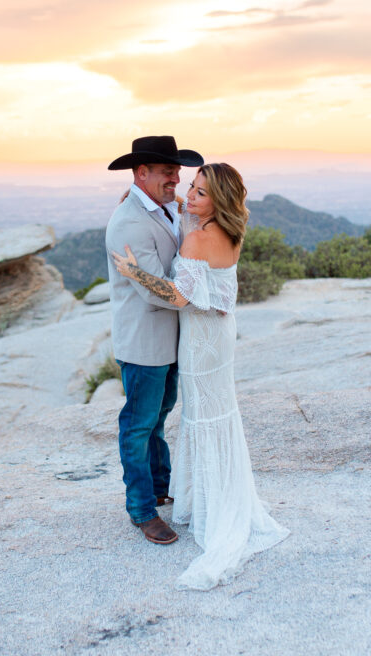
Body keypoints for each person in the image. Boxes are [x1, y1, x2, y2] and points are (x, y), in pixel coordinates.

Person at [111, 162, 289, 590]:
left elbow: (178, 295)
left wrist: (133, 272)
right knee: (217, 413)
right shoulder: (229, 232)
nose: (188, 194)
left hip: (197, 341)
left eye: (200, 191)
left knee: (199, 418)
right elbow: (189, 211)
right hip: (220, 336)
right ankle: (213, 496)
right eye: (190, 185)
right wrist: (157, 197)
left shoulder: (195, 236)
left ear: (218, 202)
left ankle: (204, 506)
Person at [105, 136, 204, 545]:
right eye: (168, 172)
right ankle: (142, 511)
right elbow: (152, 290)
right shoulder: (129, 221)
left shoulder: (165, 207)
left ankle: (160, 487)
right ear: (141, 173)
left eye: (177, 172)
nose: (176, 179)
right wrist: (196, 294)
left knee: (159, 418)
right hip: (145, 342)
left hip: (171, 337)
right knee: (138, 425)